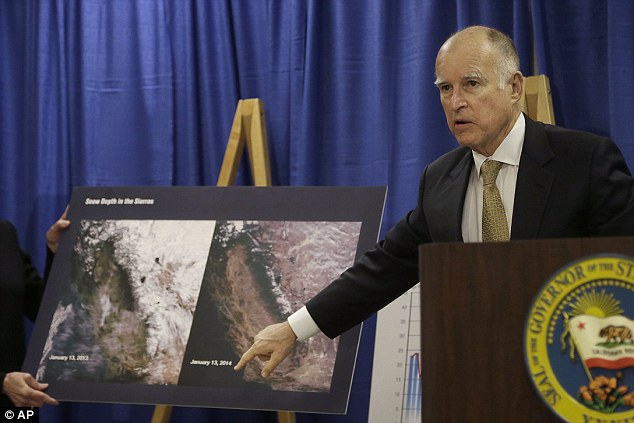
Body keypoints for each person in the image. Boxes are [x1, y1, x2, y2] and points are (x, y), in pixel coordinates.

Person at [234, 25, 634, 377]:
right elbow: (385, 267)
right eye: (445, 88)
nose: (456, 101)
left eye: (471, 84)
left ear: (514, 88)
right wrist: (293, 328)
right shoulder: (441, 179)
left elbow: (622, 276)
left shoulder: (585, 162)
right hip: (475, 377)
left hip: (574, 375)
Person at [1, 210, 69, 407]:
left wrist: (57, 252)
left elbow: (44, 311)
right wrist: (2, 382)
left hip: (16, 404)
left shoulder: (4, 234)